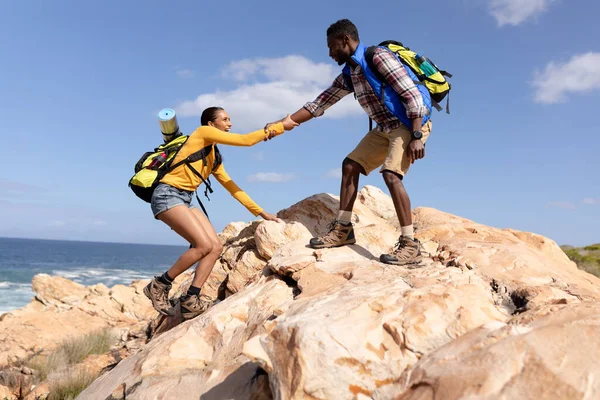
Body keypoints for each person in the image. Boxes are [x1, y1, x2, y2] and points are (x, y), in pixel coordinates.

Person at [267, 19, 433, 266]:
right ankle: (343, 229)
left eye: (332, 46)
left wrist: (417, 136)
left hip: (410, 123)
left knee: (391, 174)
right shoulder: (349, 74)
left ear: (345, 39)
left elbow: (413, 96)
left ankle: (410, 244)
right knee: (350, 165)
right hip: (385, 127)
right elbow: (319, 104)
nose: (330, 53)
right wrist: (285, 122)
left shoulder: (378, 57)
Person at [144, 107, 297, 320]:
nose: (230, 123)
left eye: (229, 119)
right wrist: (279, 128)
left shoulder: (213, 156)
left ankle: (190, 299)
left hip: (184, 199)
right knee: (203, 246)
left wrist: (261, 213)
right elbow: (245, 141)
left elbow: (231, 186)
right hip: (167, 195)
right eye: (225, 119)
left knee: (215, 247)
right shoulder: (201, 133)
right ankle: (159, 285)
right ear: (211, 124)